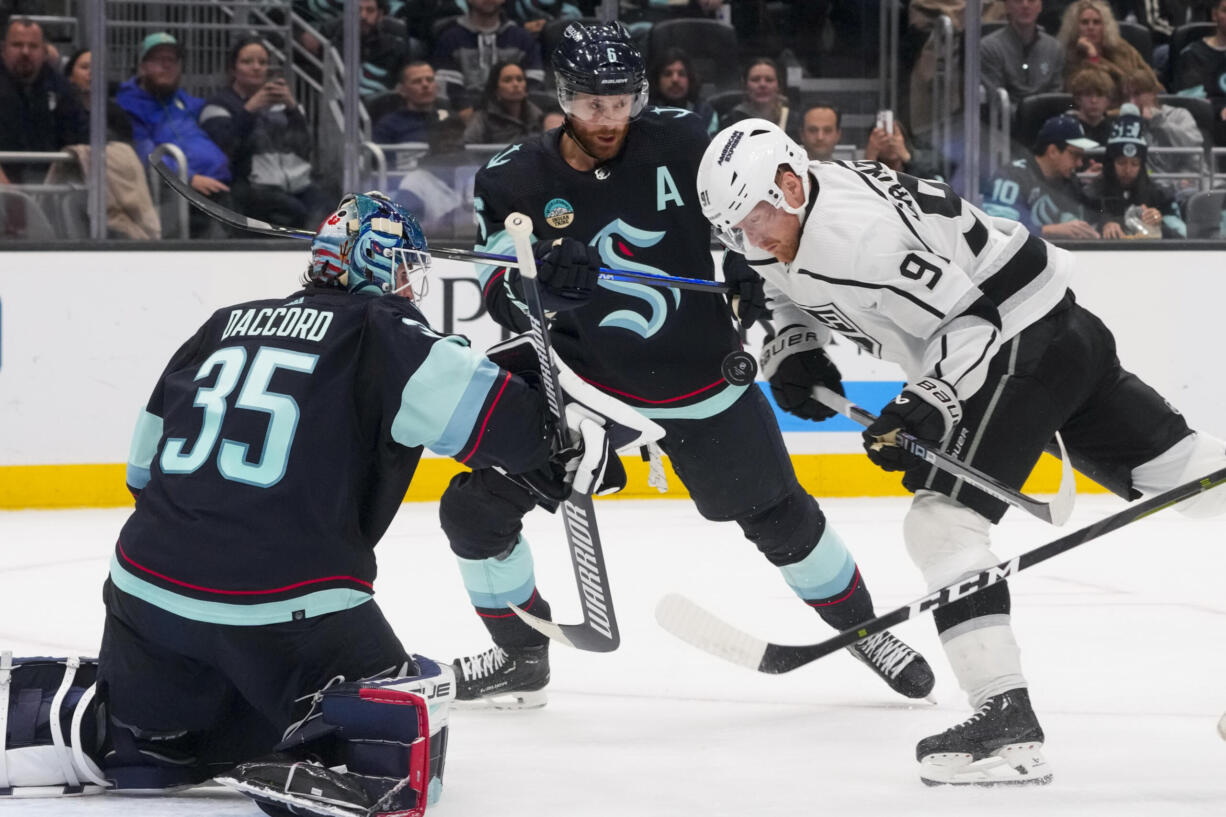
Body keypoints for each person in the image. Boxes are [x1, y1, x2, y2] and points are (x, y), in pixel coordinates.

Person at [696, 117, 1226, 786]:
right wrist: (794, 343)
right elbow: (778, 277)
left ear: (791, 181)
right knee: (1183, 472)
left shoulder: (857, 237)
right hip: (1060, 328)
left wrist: (931, 400)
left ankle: (1004, 720)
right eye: (737, 227)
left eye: (758, 215)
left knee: (942, 522)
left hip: (1016, 340)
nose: (753, 236)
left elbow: (973, 319)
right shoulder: (785, 218)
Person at [57, 193, 618, 814]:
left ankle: (136, 733)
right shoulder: (389, 335)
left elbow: (142, 472)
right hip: (288, 615)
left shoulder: (221, 323)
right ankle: (318, 752)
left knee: (163, 732)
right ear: (380, 264)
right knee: (406, 718)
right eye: (406, 267)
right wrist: (567, 438)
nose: (411, 284)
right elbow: (516, 433)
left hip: (142, 600)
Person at [441, 21, 934, 710]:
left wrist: (745, 267)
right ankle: (519, 659)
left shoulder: (683, 138)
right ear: (562, 97)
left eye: (621, 102)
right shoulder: (513, 176)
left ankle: (865, 630)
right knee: (472, 508)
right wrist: (540, 286)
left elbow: (750, 218)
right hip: (586, 392)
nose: (608, 120)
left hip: (700, 377)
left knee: (783, 521)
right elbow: (497, 290)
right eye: (591, 104)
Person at [199, 37, 328, 231]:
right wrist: (249, 111)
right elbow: (226, 149)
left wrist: (293, 109)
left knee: (333, 212)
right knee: (295, 213)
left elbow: (305, 147)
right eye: (247, 62)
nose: (256, 67)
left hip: (297, 183)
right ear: (233, 69)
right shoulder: (217, 105)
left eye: (262, 62)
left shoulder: (283, 104)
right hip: (250, 186)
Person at [116, 32, 232, 237]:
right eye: (158, 59)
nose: (166, 65)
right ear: (142, 66)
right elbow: (146, 154)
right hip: (175, 191)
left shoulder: (187, 102)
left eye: (171, 60)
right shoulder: (127, 106)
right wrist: (187, 177)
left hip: (220, 183)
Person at [982, 113, 1101, 238]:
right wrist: (1052, 230)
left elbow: (1093, 216)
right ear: (1053, 151)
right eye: (1075, 155)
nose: (1080, 163)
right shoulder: (1011, 176)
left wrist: (1108, 222)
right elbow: (1000, 227)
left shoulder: (1069, 180)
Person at [0, 17, 87, 185]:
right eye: (17, 45)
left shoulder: (61, 88)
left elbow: (80, 136)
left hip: (51, 187)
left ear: (45, 52)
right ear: (3, 50)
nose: (25, 52)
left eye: (33, 46)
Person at [1085, 103, 1187, 237]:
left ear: (1142, 165)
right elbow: (1080, 228)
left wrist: (1160, 223)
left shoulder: (1160, 195)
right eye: (1121, 162)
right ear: (1111, 163)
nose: (1128, 169)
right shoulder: (1091, 194)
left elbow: (1182, 234)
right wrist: (1104, 224)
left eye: (1134, 164)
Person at [433, 0, 544, 119]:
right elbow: (448, 86)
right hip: (467, 114)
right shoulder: (451, 38)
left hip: (514, 111)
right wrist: (466, 110)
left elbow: (534, 80)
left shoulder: (521, 38)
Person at [1057, 0, 1158, 104]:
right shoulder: (1070, 56)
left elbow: (1149, 80)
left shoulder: (1121, 48)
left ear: (1105, 26)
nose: (1091, 27)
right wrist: (1093, 58)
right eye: (1084, 22)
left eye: (1096, 22)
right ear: (1075, 28)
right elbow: (1100, 90)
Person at [1122, 66, 1204, 191]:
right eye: (1127, 96)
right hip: (1152, 188)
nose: (1132, 102)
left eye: (1137, 94)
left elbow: (1193, 144)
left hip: (1188, 182)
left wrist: (1158, 121)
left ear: (1153, 93)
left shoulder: (1179, 115)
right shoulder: (1126, 123)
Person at [317, 0, 419, 97]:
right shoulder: (333, 36)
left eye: (370, 11)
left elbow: (405, 77)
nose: (363, 16)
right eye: (357, 10)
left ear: (380, 15)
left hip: (384, 100)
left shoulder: (396, 42)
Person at [980, 0, 1065, 106]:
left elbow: (1056, 96)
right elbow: (995, 101)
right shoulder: (989, 48)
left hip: (1045, 117)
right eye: (1018, 1)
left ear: (1040, 6)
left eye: (1032, 0)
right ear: (1006, 7)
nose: (1025, 5)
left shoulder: (1054, 48)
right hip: (1006, 119)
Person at [372, 60, 463, 152]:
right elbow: (382, 163)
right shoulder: (387, 126)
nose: (425, 85)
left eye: (430, 80)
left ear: (436, 86)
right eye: (417, 81)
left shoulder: (451, 120)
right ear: (402, 90)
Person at [1172, 0, 1226, 145]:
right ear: (1214, 15)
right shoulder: (1193, 55)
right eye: (1225, 11)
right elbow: (1190, 101)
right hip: (1210, 125)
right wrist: (1219, 110)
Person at [463, 60, 544, 145]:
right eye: (507, 80)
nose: (516, 84)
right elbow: (469, 150)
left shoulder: (537, 115)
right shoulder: (482, 118)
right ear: (496, 89)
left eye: (520, 79)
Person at [719, 57, 800, 140]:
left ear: (779, 85)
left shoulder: (794, 121)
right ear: (744, 85)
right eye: (755, 80)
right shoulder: (731, 122)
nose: (762, 84)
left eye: (769, 80)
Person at [647, 46, 718, 137]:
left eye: (681, 74)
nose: (675, 79)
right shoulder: (645, 115)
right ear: (657, 80)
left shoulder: (705, 113)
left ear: (690, 79)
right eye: (668, 74)